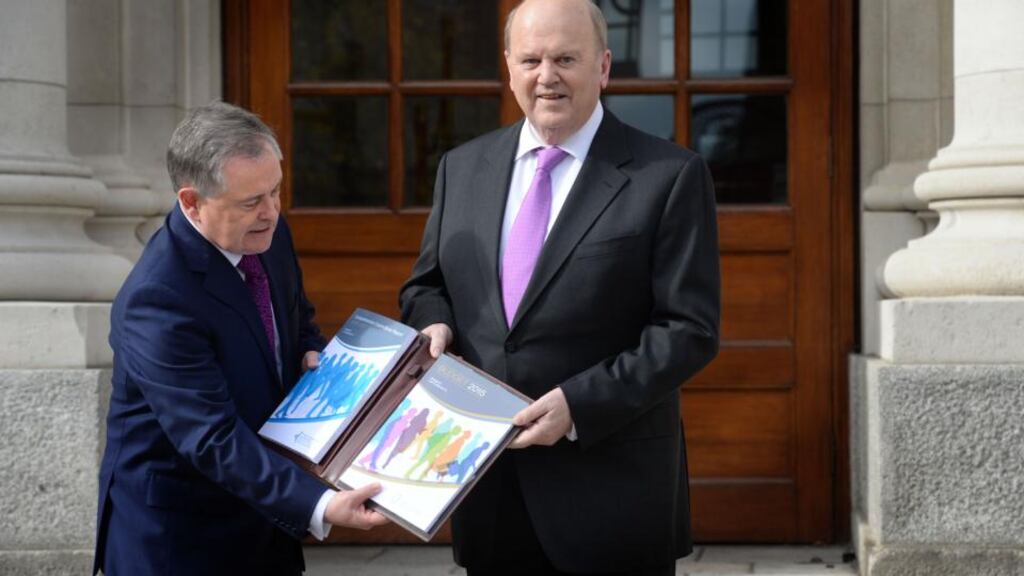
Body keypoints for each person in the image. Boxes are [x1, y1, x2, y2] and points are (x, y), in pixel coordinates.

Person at [399, 0, 721, 574]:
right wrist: (434, 322)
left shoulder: (668, 176)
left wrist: (578, 406)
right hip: (486, 490)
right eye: (531, 59)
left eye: (566, 58)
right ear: (508, 67)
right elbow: (428, 285)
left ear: (602, 66)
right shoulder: (461, 167)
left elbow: (687, 330)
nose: (546, 76)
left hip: (610, 495)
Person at [94, 102, 387, 576]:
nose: (271, 212)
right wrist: (320, 505)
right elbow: (211, 437)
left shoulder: (264, 231)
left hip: (262, 521)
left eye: (275, 191)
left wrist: (309, 350)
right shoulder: (157, 299)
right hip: (180, 538)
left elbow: (297, 317)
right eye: (252, 202)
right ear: (192, 202)